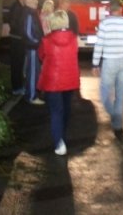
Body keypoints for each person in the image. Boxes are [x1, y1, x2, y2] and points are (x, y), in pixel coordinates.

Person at [92, 0, 123, 135]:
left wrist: (95, 64)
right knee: (120, 94)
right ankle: (118, 126)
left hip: (109, 62)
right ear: (121, 9)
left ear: (109, 10)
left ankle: (114, 114)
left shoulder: (104, 24)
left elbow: (98, 45)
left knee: (105, 94)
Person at [37, 10, 80, 156]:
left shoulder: (46, 40)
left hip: (52, 82)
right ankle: (62, 135)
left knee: (56, 111)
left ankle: (58, 143)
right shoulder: (74, 39)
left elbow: (41, 55)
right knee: (66, 110)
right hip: (69, 80)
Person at [7, 0, 30, 96]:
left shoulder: (21, 7)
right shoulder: (16, 7)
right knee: (16, 64)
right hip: (16, 39)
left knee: (20, 64)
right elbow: (14, 23)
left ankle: (19, 86)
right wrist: (22, 31)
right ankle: (16, 88)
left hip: (20, 39)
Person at [23, 0, 44, 105]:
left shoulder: (31, 13)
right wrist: (37, 41)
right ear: (30, 4)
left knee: (34, 71)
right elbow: (28, 32)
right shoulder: (30, 14)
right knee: (32, 72)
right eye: (35, 3)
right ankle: (31, 96)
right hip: (32, 47)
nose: (37, 5)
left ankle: (32, 94)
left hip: (33, 47)